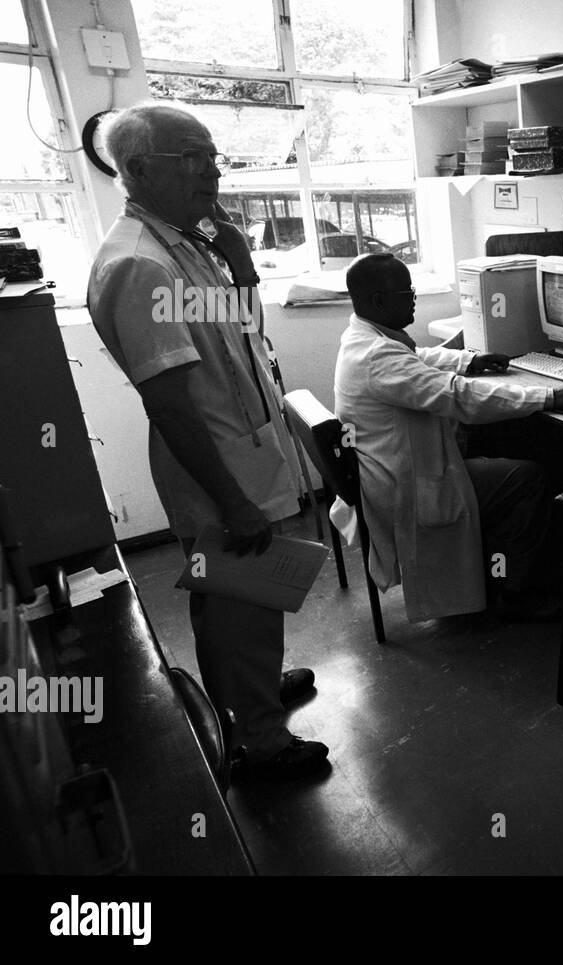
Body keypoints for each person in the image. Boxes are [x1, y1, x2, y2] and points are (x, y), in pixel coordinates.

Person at [87, 103, 327, 780]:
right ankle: (258, 742)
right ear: (137, 169)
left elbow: (243, 332)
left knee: (242, 599)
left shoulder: (186, 245)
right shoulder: (142, 265)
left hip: (242, 453)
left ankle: (251, 689)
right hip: (220, 472)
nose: (213, 168)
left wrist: (242, 262)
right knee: (235, 601)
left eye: (213, 154)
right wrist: (232, 499)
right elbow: (168, 403)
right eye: (191, 156)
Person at [332, 253, 563, 623]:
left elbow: (417, 359)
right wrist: (550, 396)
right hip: (408, 487)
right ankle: (511, 591)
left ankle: (495, 571)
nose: (413, 297)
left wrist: (468, 361)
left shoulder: (363, 337)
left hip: (390, 471)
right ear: (379, 301)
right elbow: (458, 397)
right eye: (406, 291)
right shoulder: (377, 357)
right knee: (527, 480)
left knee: (498, 449)